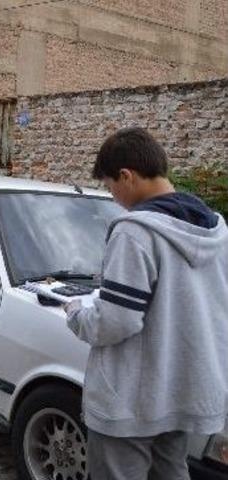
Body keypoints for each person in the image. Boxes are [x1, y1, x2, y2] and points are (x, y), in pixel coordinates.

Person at [64, 127, 228, 480]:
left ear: (127, 176)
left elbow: (116, 322)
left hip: (131, 402)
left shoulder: (134, 231)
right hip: (185, 391)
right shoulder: (216, 229)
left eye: (110, 187)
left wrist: (77, 313)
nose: (113, 198)